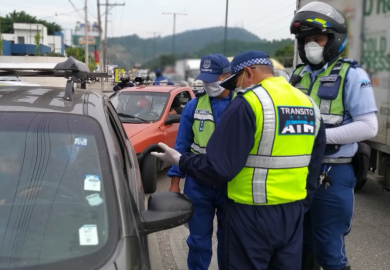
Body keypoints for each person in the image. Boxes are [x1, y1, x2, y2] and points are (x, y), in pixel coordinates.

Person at [151, 50, 326, 270]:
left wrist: (180, 161)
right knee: (200, 240)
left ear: (248, 73)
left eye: (235, 82)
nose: (236, 87)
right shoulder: (310, 105)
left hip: (247, 207)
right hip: (291, 213)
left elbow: (220, 167)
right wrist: (301, 207)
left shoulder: (248, 103)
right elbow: (314, 164)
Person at [289, 3, 378, 270]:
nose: (310, 45)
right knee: (298, 243)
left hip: (333, 173)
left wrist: (318, 136)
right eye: (305, 41)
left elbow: (368, 126)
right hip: (298, 172)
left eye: (317, 39)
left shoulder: (351, 74)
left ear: (334, 39)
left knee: (328, 247)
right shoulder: (297, 76)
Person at [165, 54, 231, 270]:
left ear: (227, 75)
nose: (208, 84)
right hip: (198, 183)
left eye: (213, 78)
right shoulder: (194, 106)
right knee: (198, 240)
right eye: (205, 79)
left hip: (230, 184)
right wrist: (175, 181)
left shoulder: (243, 104)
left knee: (230, 240)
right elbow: (181, 144)